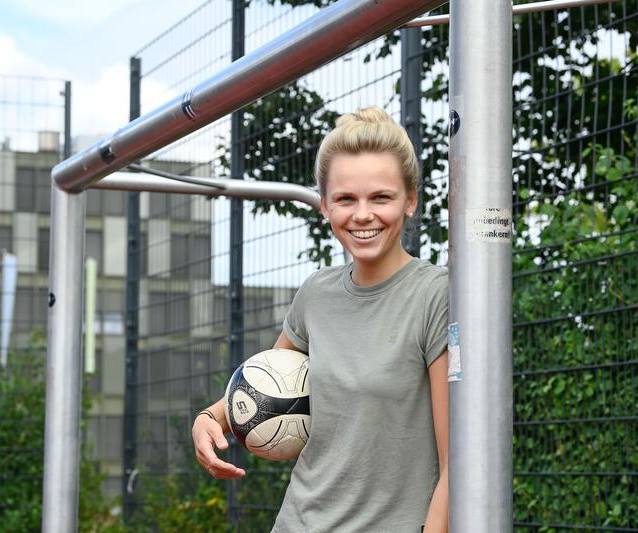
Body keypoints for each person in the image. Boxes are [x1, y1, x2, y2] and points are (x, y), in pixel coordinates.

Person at [192, 106, 449, 533]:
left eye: (380, 197)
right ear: (325, 206)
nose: (362, 214)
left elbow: (454, 463)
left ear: (410, 200)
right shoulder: (316, 293)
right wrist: (209, 418)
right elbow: (265, 388)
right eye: (346, 199)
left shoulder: (435, 295)